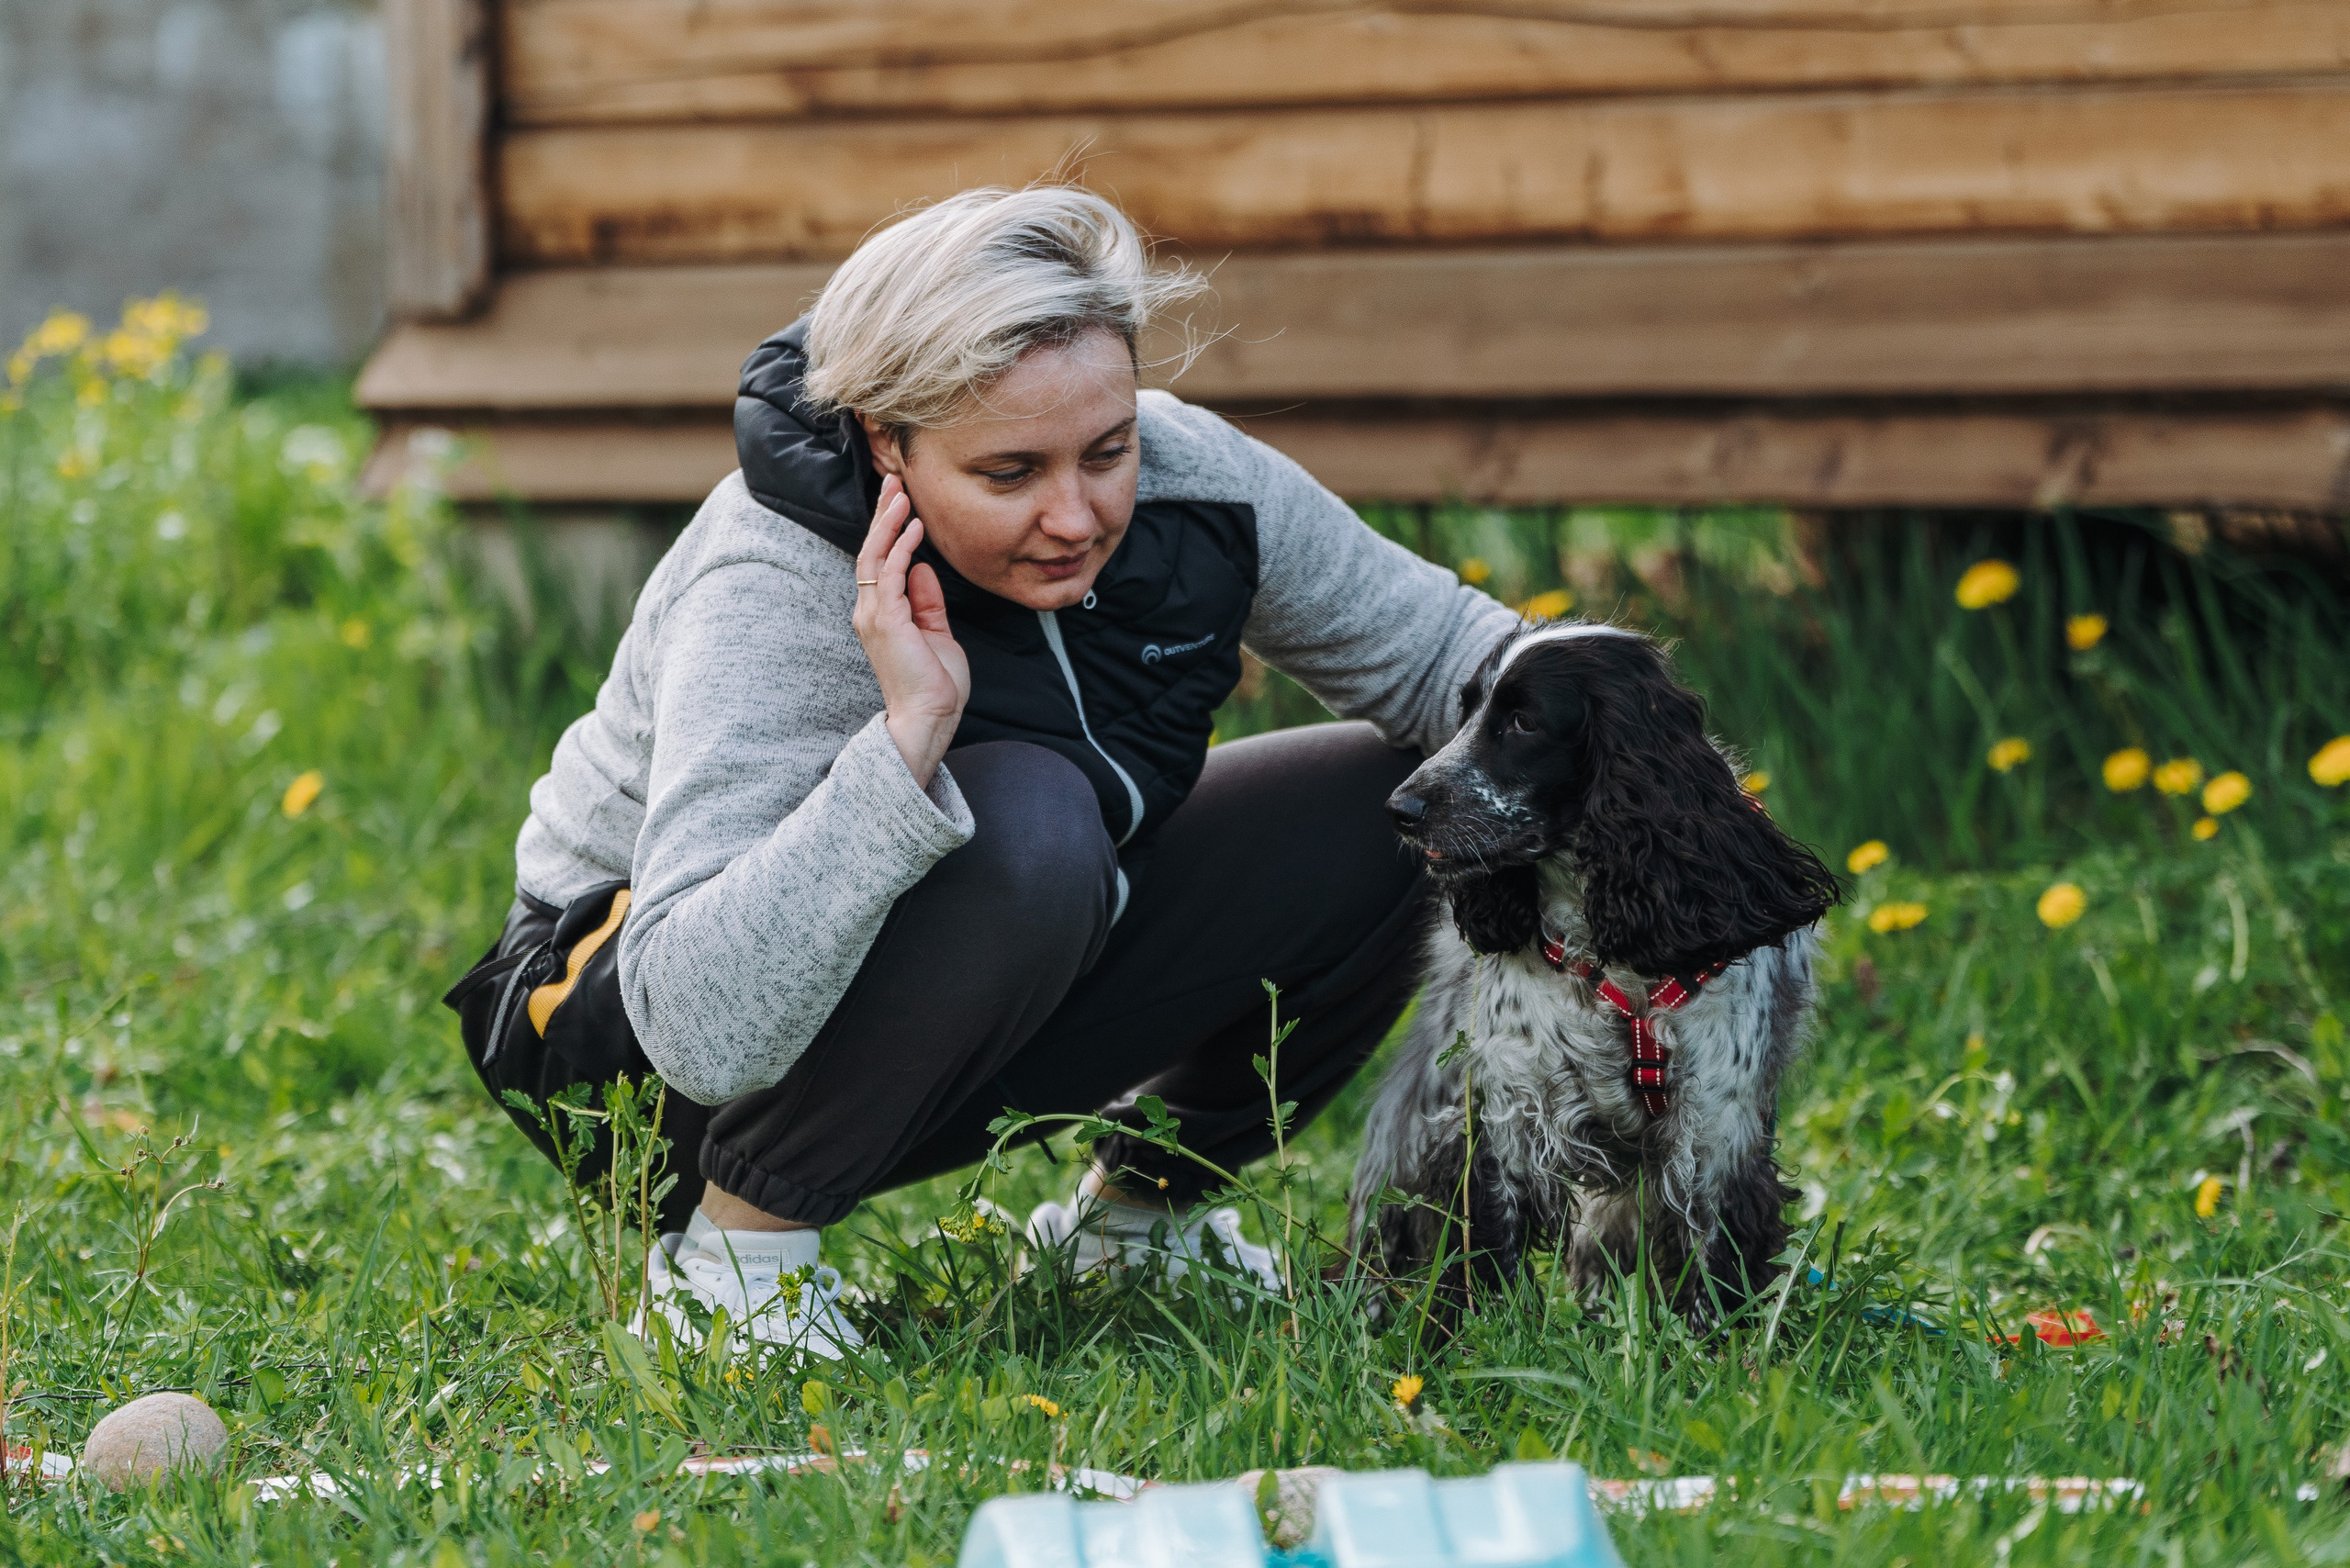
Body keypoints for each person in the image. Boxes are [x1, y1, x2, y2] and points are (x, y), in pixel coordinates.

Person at [461, 185, 1517, 1359]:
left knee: (1411, 804)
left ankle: (1133, 1229)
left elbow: (1460, 664)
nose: (1075, 514)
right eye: (1009, 473)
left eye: (1105, 451)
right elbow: (699, 1029)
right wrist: (906, 740)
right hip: (627, 1051)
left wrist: (1668, 786)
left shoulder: (1192, 479)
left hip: (1002, 939)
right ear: (884, 440)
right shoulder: (775, 574)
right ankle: (735, 1272)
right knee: (1024, 819)